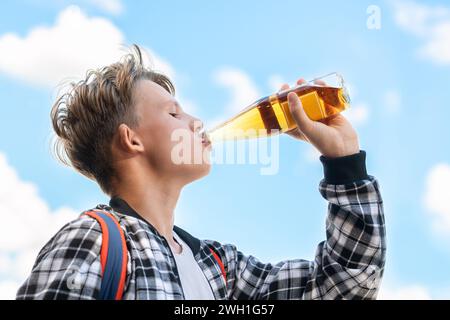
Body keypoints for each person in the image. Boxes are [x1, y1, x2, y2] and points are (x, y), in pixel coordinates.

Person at [16, 45, 386, 300]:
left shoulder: (218, 268)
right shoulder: (94, 239)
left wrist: (344, 162)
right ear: (132, 140)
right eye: (175, 114)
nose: (196, 122)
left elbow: (343, 285)